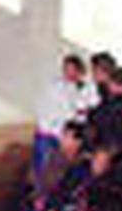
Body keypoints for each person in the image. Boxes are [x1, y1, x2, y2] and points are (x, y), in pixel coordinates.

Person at [35, 53, 96, 184]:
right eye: (66, 70)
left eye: (72, 70)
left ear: (80, 71)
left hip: (70, 134)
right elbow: (47, 111)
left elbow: (88, 108)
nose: (68, 74)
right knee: (44, 168)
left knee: (65, 169)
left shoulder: (88, 87)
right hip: (49, 132)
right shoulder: (54, 87)